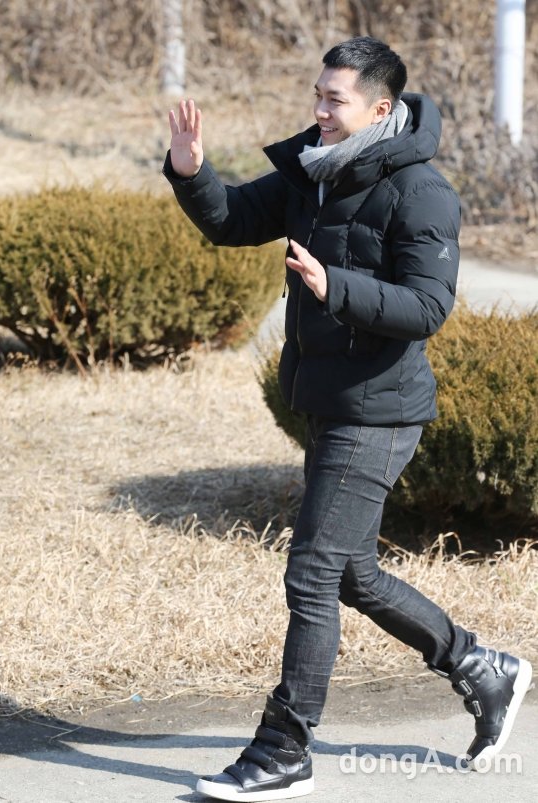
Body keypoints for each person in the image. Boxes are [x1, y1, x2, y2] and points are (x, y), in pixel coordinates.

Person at [162, 36, 532, 802]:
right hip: (331, 400)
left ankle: (284, 748)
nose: (320, 109)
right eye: (318, 94)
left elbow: (427, 306)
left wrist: (337, 287)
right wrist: (193, 172)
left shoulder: (421, 191)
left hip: (381, 410)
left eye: (335, 99)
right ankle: (482, 666)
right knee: (352, 573)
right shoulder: (317, 166)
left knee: (312, 571)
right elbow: (234, 218)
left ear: (380, 108)